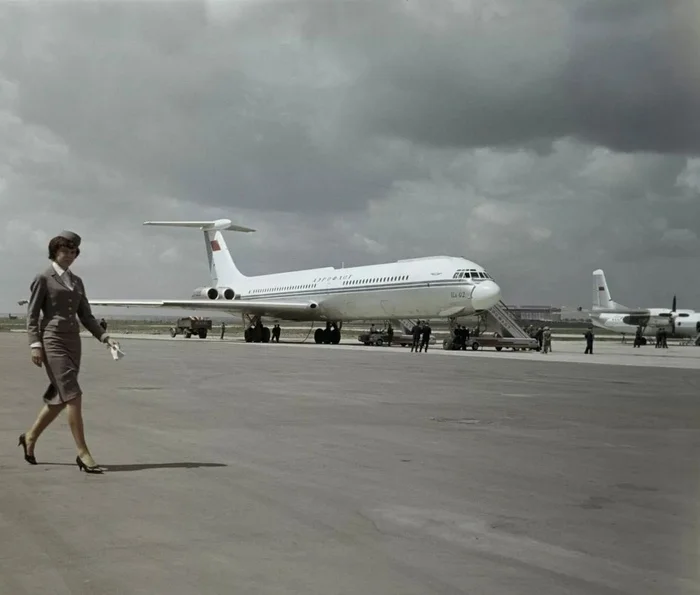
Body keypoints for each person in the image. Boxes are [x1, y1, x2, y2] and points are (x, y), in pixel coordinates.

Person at [19, 231, 118, 474]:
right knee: (73, 395)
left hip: (74, 342)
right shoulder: (43, 277)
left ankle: (30, 437)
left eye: (74, 252)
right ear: (55, 251)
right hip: (52, 341)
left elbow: (86, 315)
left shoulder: (77, 281)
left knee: (60, 398)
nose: (70, 256)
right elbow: (32, 315)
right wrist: (35, 345)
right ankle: (83, 453)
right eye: (65, 251)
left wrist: (104, 337)